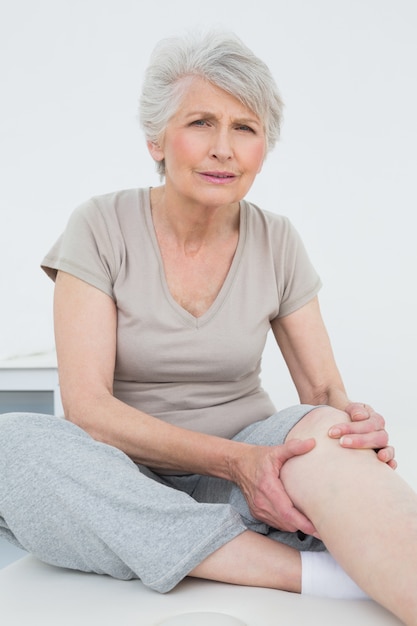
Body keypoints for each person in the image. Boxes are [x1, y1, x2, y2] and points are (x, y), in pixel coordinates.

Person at [1, 30, 416, 625]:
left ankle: (200, 549)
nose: (223, 149)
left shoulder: (278, 240)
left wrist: (354, 432)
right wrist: (232, 462)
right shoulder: (99, 224)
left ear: (263, 149)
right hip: (119, 480)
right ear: (156, 140)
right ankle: (296, 571)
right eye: (201, 123)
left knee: (326, 431)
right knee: (11, 443)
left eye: (245, 128)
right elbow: (88, 407)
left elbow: (323, 394)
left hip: (253, 478)